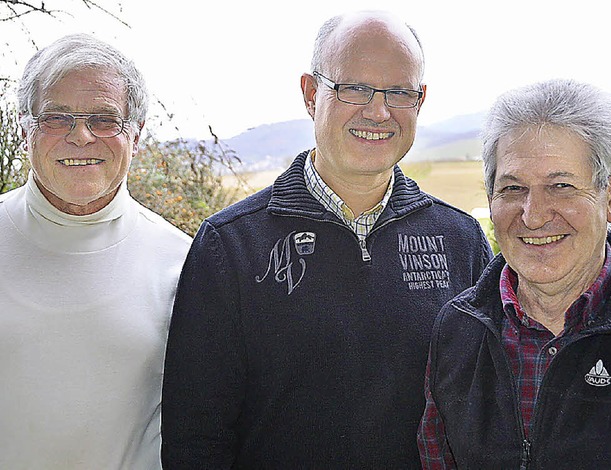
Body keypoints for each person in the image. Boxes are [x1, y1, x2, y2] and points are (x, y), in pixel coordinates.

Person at [162, 10, 492, 469]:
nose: (378, 112)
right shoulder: (230, 247)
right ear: (310, 93)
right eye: (354, 88)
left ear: (420, 101)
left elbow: (487, 416)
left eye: (399, 92)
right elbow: (195, 440)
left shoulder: (462, 241)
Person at [417, 78, 611, 468]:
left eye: (561, 185)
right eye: (513, 188)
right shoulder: (459, 330)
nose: (534, 215)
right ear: (490, 197)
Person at [0, 34, 191, 469]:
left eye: (105, 119)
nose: (81, 136)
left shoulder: (185, 264)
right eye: (56, 118)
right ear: (24, 127)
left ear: (136, 135)